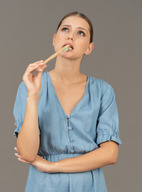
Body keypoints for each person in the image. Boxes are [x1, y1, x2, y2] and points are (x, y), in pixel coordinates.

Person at [13, 11, 122, 192]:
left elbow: (110, 154)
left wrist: (53, 166)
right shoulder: (28, 87)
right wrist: (33, 96)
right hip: (44, 185)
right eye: (65, 30)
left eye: (81, 33)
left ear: (89, 48)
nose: (70, 36)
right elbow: (27, 153)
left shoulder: (103, 91)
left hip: (89, 185)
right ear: (55, 39)